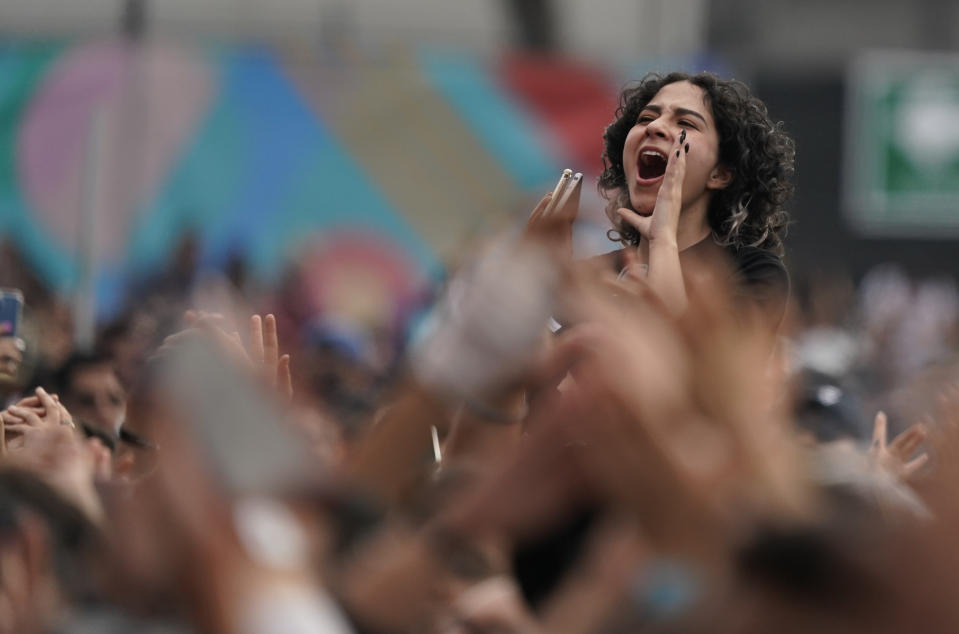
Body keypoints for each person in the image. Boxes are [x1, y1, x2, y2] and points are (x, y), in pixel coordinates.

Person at [596, 71, 796, 325]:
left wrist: (662, 241)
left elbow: (699, 363)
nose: (654, 127)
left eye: (686, 124)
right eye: (646, 118)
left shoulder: (752, 274)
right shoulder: (596, 274)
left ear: (720, 173)